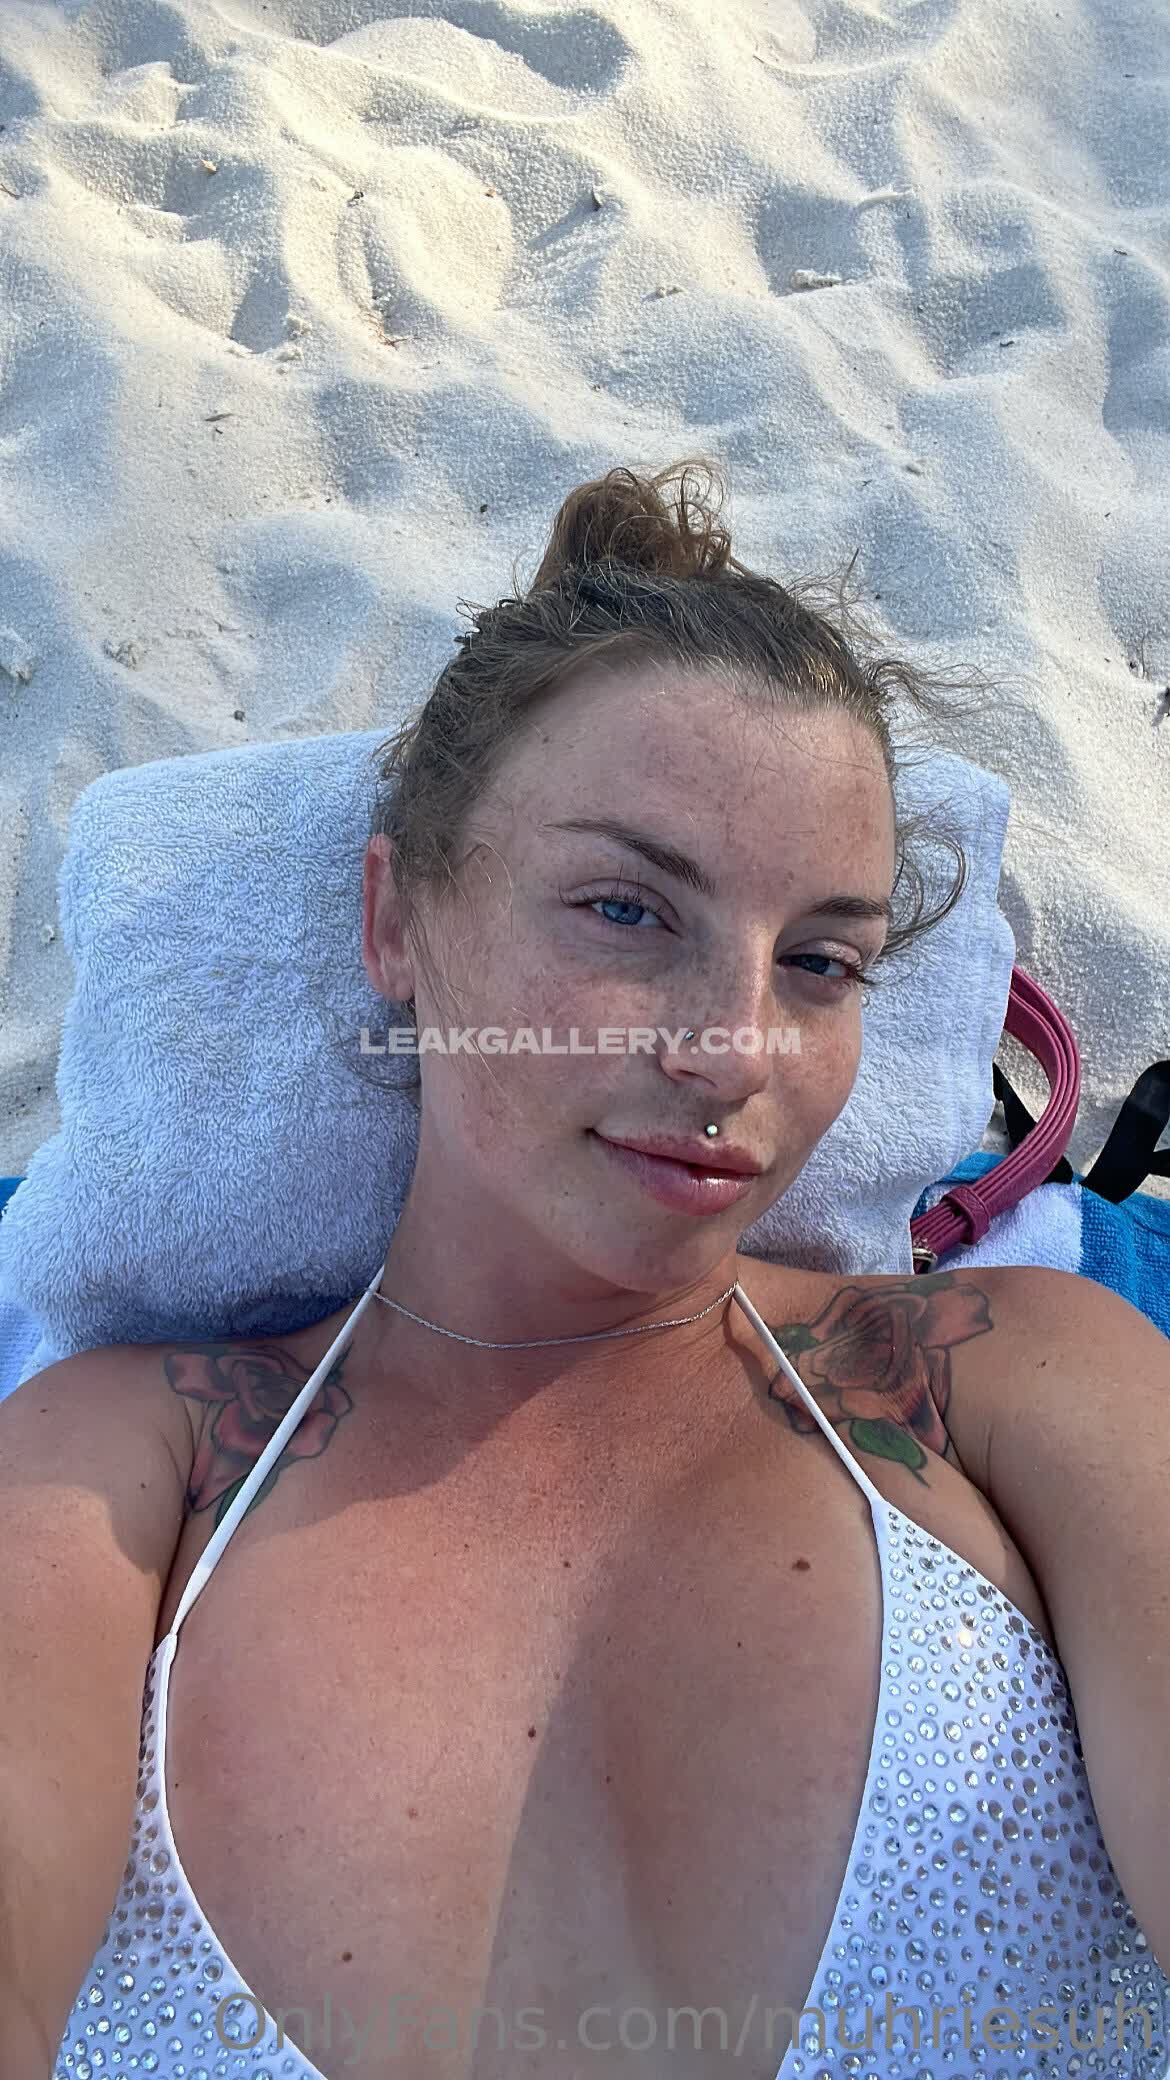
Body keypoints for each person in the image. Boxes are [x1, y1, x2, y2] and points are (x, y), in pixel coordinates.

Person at [2, 458, 1167, 2080]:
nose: (736, 1050)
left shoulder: (1006, 1377)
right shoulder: (125, 1467)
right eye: (626, 910)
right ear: (397, 923)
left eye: (819, 961)